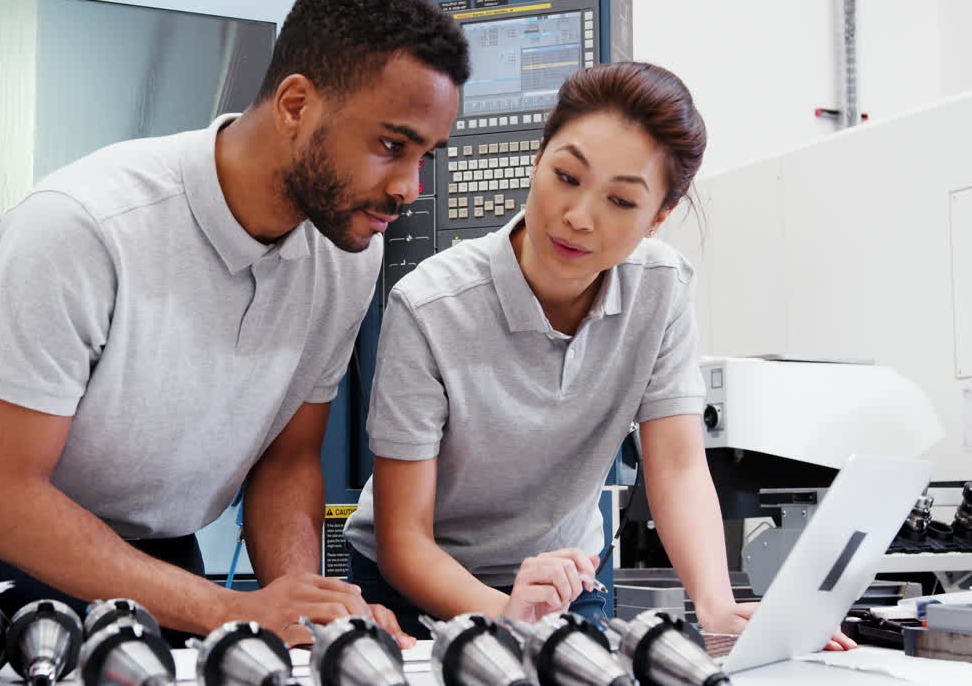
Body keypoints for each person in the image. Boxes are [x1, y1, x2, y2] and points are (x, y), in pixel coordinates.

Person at [0, 0, 468, 646]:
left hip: (166, 555)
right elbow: (0, 499)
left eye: (426, 157)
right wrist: (228, 610)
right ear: (296, 104)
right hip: (8, 555)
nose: (410, 188)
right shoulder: (83, 223)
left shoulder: (347, 252)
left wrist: (312, 613)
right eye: (390, 145)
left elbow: (287, 463)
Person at [342, 62, 858, 651]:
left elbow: (679, 467)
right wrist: (507, 611)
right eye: (565, 176)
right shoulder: (433, 305)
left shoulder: (661, 290)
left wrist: (715, 605)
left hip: (563, 580)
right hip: (414, 591)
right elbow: (404, 540)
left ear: (657, 217)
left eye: (619, 200)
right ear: (537, 160)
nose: (579, 217)